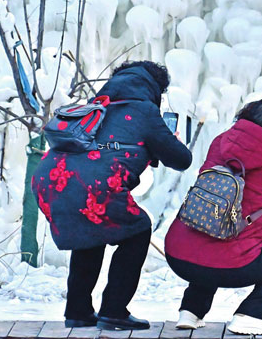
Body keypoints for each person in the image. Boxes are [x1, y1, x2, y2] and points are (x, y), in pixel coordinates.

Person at [31, 60, 192, 330]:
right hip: (90, 185)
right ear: (155, 88)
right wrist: (169, 139)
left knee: (90, 235)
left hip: (49, 179)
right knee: (138, 229)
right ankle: (115, 310)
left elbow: (110, 148)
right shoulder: (144, 110)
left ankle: (78, 312)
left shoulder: (96, 105)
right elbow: (181, 159)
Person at [164, 96, 262, 336]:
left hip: (178, 255)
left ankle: (191, 310)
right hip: (229, 266)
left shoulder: (220, 143)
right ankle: (254, 314)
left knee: (211, 231)